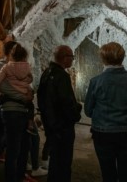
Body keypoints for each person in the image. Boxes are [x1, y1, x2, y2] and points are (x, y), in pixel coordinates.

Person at [84, 42, 127, 182]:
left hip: (103, 134)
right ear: (122, 57)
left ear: (103, 58)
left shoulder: (96, 81)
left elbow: (88, 110)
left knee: (108, 173)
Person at [37, 45, 82, 182]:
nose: (73, 60)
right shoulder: (62, 76)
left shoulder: (46, 72)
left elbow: (41, 99)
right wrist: (76, 114)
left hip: (52, 126)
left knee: (55, 161)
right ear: (64, 58)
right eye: (71, 57)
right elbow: (66, 102)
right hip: (62, 127)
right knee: (63, 162)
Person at [0, 44, 35, 134]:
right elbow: (30, 79)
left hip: (14, 105)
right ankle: (30, 124)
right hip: (17, 103)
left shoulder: (7, 67)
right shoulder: (27, 67)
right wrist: (25, 91)